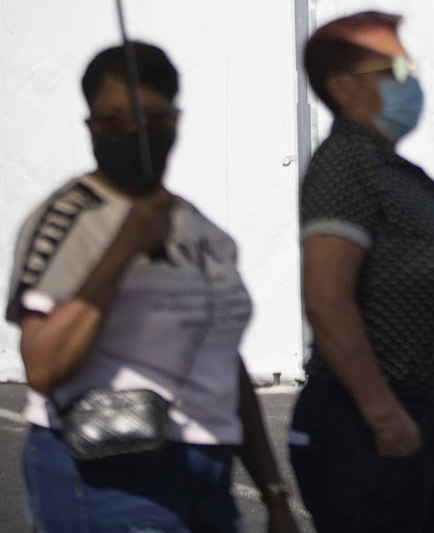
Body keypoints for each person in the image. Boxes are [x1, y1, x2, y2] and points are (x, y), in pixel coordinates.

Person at [7, 42, 298, 533]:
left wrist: (273, 493)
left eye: (152, 118)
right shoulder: (67, 218)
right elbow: (42, 365)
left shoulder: (203, 231)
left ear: (176, 119)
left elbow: (224, 361)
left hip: (207, 475)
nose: (134, 135)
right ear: (90, 127)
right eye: (112, 121)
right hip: (106, 473)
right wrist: (120, 252)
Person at [288, 11, 434, 533]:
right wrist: (384, 415)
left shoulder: (394, 172)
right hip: (368, 430)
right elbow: (327, 300)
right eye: (394, 69)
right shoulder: (344, 167)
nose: (410, 80)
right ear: (342, 88)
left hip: (425, 424)